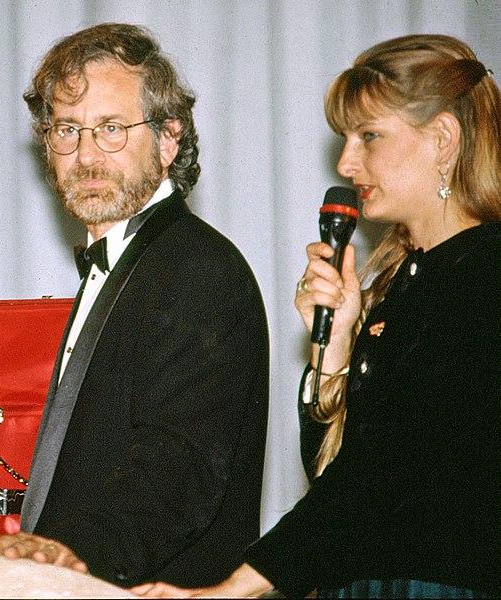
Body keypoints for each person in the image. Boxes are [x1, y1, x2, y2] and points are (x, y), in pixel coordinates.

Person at [135, 34, 501, 599]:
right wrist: (335, 348)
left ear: (444, 139)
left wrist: (235, 587)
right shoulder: (406, 282)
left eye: (369, 136)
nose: (346, 163)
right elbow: (332, 472)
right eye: (345, 139)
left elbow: (378, 478)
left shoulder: (483, 273)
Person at [0, 23, 270, 589]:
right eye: (67, 129)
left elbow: (178, 467)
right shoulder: (134, 264)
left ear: (168, 140)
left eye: (111, 129)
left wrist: (66, 562)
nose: (86, 154)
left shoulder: (197, 270)